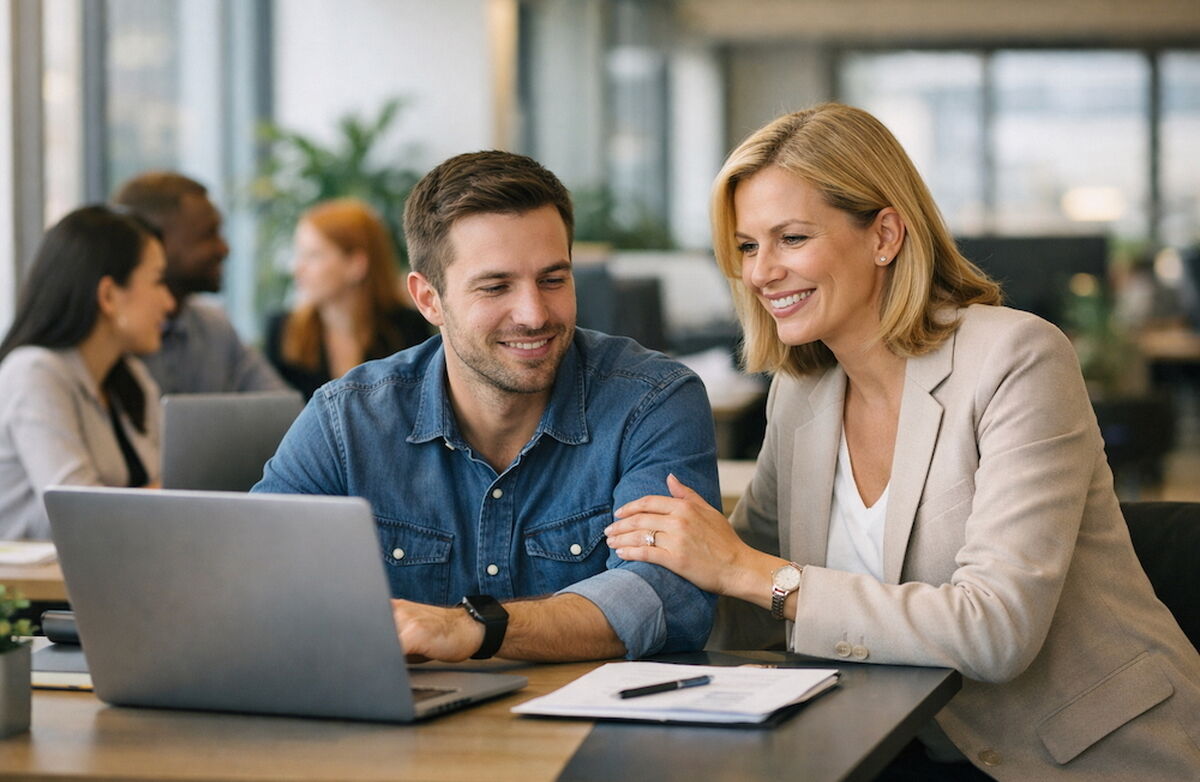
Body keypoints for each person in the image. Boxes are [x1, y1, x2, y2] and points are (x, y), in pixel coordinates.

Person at [604, 104, 1200, 779]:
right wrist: (637, 571)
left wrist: (746, 571)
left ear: (885, 234)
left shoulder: (1016, 358)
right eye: (746, 246)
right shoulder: (802, 397)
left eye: (791, 238)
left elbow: (995, 630)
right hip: (894, 751)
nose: (762, 271)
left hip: (1081, 757)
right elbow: (741, 613)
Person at [253, 150, 719, 663]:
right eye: (496, 286)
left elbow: (663, 596)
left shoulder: (650, 400)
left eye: (553, 279)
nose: (534, 313)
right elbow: (256, 580)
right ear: (428, 299)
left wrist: (475, 628)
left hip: (597, 732)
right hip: (402, 731)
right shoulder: (347, 420)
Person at [0, 206, 174, 540]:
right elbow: (77, 512)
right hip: (32, 590)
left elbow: (168, 480)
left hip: (109, 577)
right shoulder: (34, 372)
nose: (168, 302)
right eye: (157, 281)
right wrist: (174, 496)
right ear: (108, 295)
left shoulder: (130, 378)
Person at [112, 171, 288, 394]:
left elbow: (280, 408)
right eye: (208, 235)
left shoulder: (214, 327)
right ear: (152, 242)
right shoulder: (110, 338)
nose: (224, 248)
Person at [264, 198, 431, 398]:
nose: (297, 269)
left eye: (313, 255)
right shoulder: (284, 331)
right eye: (299, 254)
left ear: (356, 265)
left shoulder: (407, 328)